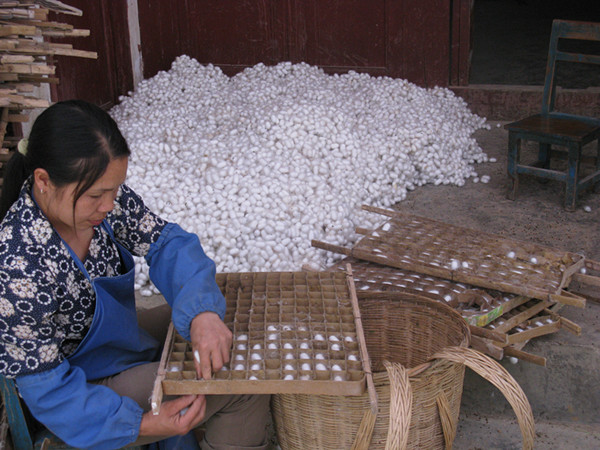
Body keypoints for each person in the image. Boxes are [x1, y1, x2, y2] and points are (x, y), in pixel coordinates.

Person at [0, 100, 270, 449]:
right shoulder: (18, 265)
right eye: (98, 195)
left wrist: (202, 312)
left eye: (115, 190)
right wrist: (143, 425)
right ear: (43, 181)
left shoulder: (102, 203)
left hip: (117, 343)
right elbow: (48, 390)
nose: (110, 205)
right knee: (242, 387)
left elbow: (166, 244)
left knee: (224, 320)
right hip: (81, 388)